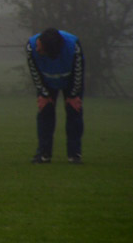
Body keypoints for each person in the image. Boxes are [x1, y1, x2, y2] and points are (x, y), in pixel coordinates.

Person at [26, 28, 84, 164]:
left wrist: (74, 95)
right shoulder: (31, 46)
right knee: (45, 112)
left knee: (74, 111)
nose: (37, 48)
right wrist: (44, 94)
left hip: (71, 81)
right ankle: (44, 154)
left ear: (51, 50)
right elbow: (34, 72)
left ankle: (74, 155)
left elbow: (79, 71)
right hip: (46, 82)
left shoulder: (73, 45)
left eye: (41, 48)